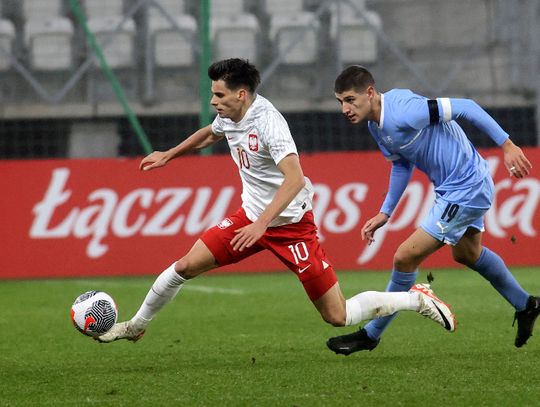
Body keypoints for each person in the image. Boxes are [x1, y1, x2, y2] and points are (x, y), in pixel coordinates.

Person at [98, 59, 456, 345]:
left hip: (292, 227)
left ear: (241, 95)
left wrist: (262, 224)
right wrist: (169, 154)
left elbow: (295, 179)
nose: (213, 102)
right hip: (250, 219)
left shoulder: (269, 123)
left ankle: (416, 298)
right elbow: (211, 132)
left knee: (337, 315)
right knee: (184, 267)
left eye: (219, 96)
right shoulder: (229, 116)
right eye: (212, 94)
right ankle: (136, 326)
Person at [327, 65, 539, 355]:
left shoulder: (404, 111)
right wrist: (385, 213)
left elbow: (466, 107)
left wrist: (507, 144)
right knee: (467, 253)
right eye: (340, 102)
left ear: (371, 93)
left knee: (404, 257)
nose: (344, 108)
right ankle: (526, 304)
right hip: (457, 187)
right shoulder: (375, 126)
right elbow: (402, 163)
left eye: (350, 99)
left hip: (467, 187)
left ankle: (371, 335)